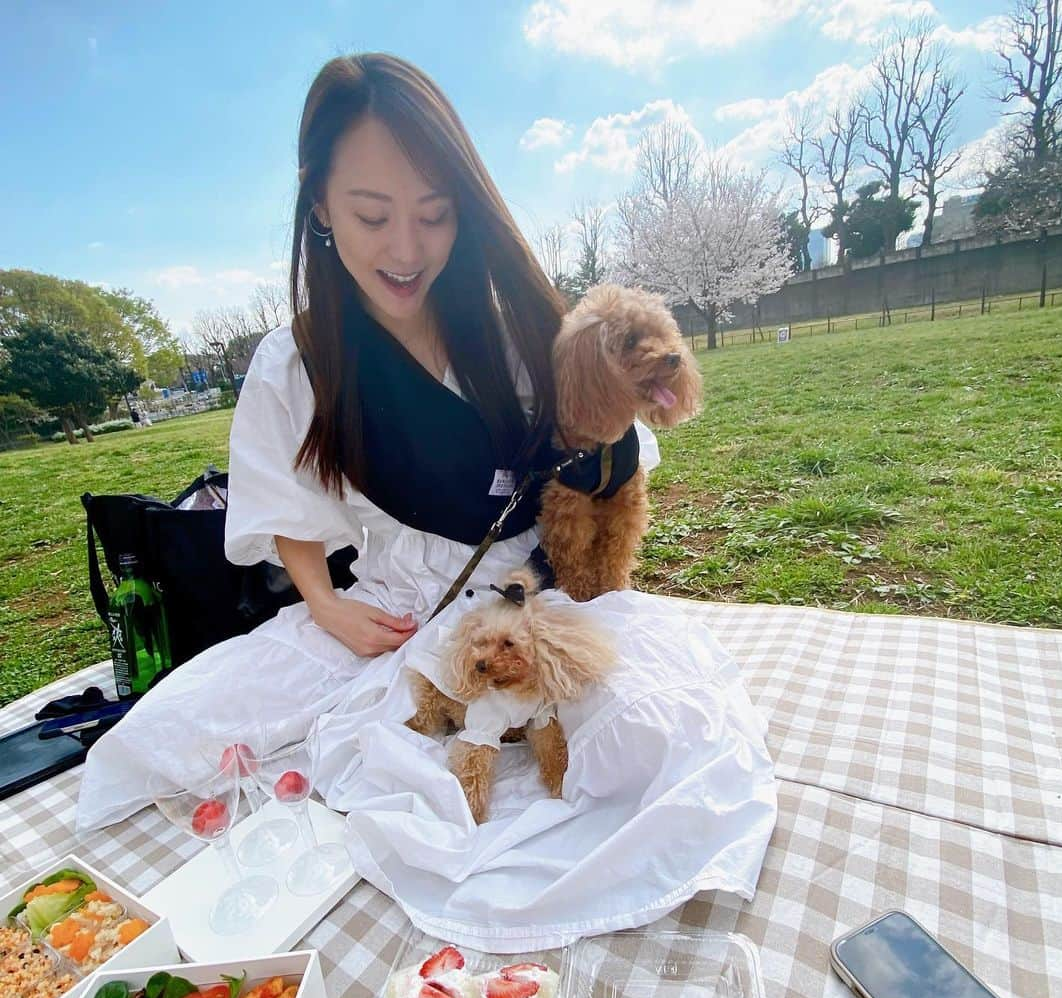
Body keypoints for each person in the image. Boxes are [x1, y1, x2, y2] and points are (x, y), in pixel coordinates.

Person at [78, 54, 776, 951]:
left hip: (537, 590)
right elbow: (285, 507)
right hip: (400, 598)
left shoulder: (519, 324)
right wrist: (324, 604)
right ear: (319, 203)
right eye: (372, 214)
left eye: (434, 213)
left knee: (652, 745)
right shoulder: (294, 361)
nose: (406, 250)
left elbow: (606, 457)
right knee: (178, 726)